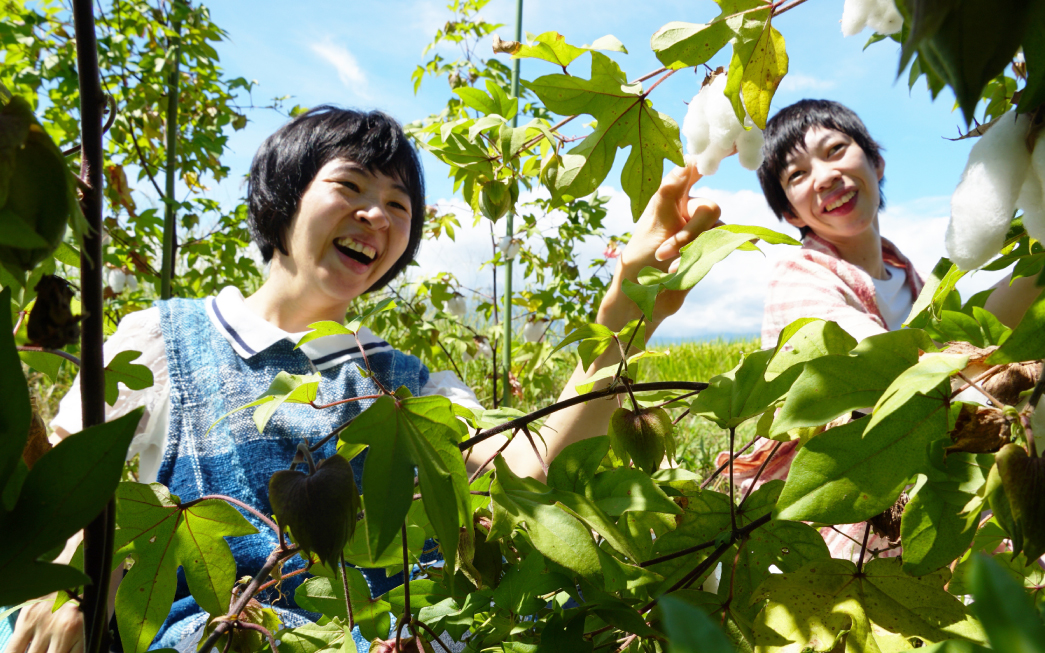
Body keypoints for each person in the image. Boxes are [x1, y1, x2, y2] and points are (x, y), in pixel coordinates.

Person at [4, 106, 722, 653]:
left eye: (399, 205)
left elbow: (527, 468)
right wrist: (76, 584)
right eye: (349, 184)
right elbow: (71, 490)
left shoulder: (407, 384)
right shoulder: (164, 339)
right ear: (283, 198)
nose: (375, 213)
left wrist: (626, 311)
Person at [723, 99, 1043, 559]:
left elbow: (971, 338)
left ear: (876, 161)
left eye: (835, 150)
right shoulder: (797, 273)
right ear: (790, 213)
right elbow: (894, 371)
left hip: (923, 462)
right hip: (849, 497)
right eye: (797, 175)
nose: (825, 175)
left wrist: (1035, 269)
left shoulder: (905, 274)